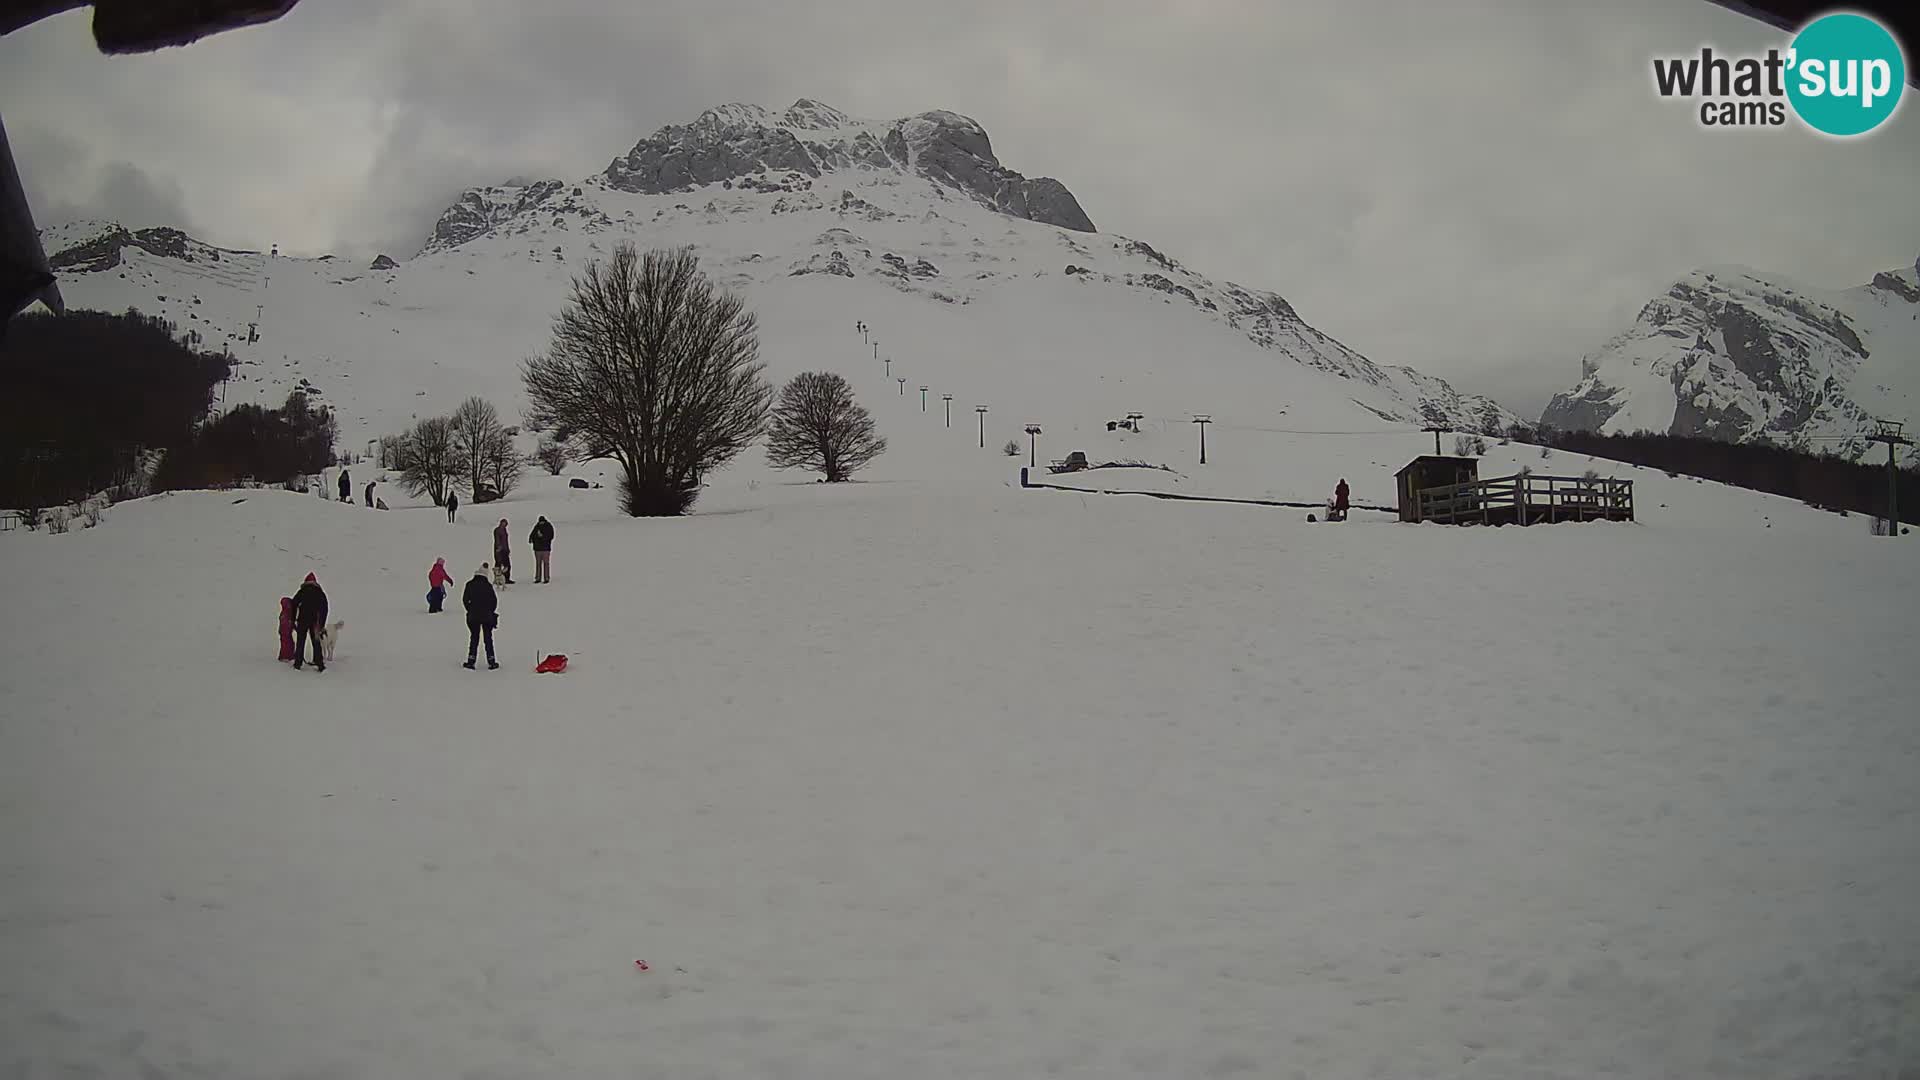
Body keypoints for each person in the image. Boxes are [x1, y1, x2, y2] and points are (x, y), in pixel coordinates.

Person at [462, 565, 499, 670]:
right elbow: (494, 601)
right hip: (487, 616)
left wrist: (470, 609)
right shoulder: (488, 586)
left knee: (474, 638)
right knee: (488, 638)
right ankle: (491, 660)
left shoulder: (469, 585)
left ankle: (471, 660)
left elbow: (465, 600)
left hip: (473, 616)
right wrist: (490, 611)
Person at [290, 572, 327, 671]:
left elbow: (293, 604)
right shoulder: (319, 592)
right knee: (316, 642)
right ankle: (320, 664)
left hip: (302, 620)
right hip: (315, 620)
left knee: (301, 641)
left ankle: (298, 664)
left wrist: (293, 619)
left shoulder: (302, 591)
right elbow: (325, 608)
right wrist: (322, 623)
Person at [529, 516, 555, 583]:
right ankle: (538, 578)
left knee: (546, 563)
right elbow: (532, 534)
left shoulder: (548, 526)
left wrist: (542, 537)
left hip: (545, 548)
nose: (541, 523)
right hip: (537, 548)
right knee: (538, 564)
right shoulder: (537, 526)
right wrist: (531, 539)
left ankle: (546, 578)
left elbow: (550, 536)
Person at [492, 518, 513, 584]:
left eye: (505, 524)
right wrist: (499, 547)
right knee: (499, 564)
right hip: (499, 550)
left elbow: (505, 541)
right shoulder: (497, 530)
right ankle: (497, 579)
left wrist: (508, 549)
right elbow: (497, 539)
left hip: (505, 550)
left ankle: (506, 578)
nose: (504, 525)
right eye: (503, 523)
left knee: (507, 565)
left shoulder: (504, 530)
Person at [277, 596, 296, 662]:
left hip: (285, 632)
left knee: (287, 643)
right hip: (285, 632)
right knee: (287, 643)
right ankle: (286, 656)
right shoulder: (288, 613)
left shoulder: (286, 613)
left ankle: (286, 656)